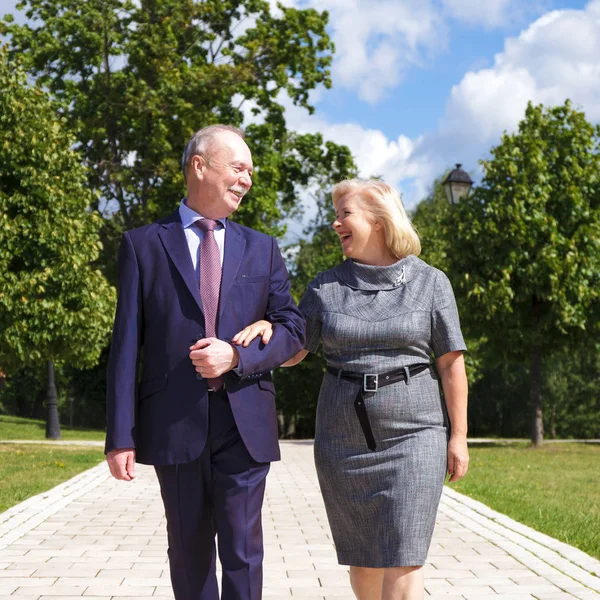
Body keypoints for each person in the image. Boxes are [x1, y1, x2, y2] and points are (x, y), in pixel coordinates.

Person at [234, 179, 469, 600]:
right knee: (363, 558)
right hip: (343, 441)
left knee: (404, 549)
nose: (334, 222)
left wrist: (458, 436)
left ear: (378, 220)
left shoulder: (432, 282)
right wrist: (272, 326)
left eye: (345, 213)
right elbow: (294, 350)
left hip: (416, 435)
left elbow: (451, 364)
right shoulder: (326, 286)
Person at [104, 124, 306, 600]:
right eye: (238, 168)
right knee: (189, 555)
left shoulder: (264, 248)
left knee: (244, 553)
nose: (247, 179)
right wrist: (120, 436)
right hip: (173, 423)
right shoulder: (142, 245)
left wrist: (237, 355)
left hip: (245, 423)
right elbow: (126, 345)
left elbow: (293, 329)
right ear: (201, 166)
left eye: (250, 172)